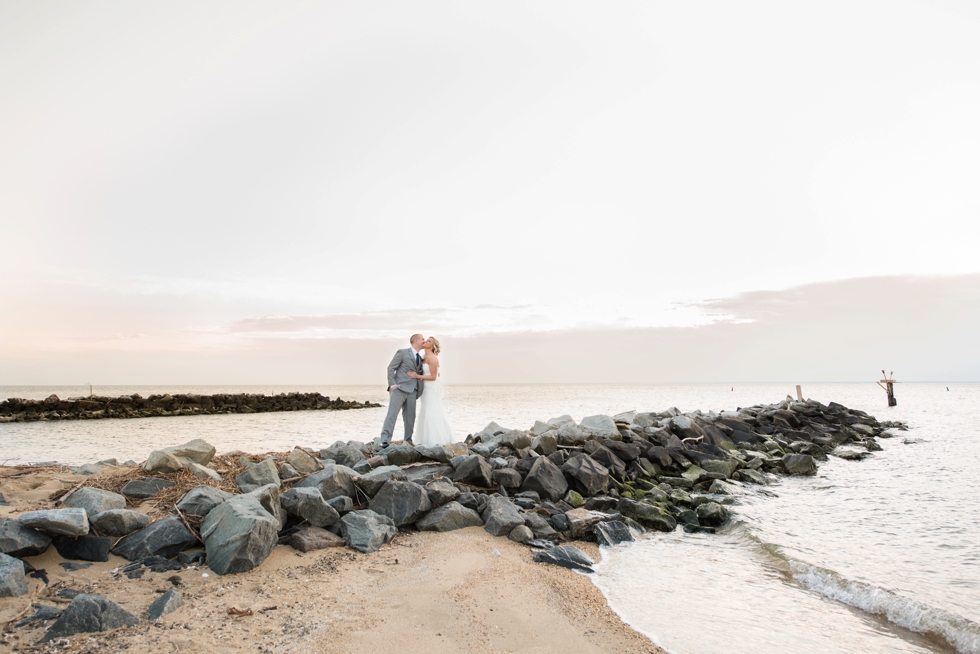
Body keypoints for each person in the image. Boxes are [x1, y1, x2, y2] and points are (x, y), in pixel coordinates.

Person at [379, 333, 425, 447]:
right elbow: (391, 368)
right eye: (422, 339)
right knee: (392, 414)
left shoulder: (420, 358)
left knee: (410, 417)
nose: (424, 341)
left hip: (412, 391)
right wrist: (392, 384)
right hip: (399, 389)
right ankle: (385, 440)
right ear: (416, 340)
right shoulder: (403, 353)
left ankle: (408, 440)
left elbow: (420, 373)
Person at [407, 336, 454, 446]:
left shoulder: (432, 358)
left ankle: (435, 440)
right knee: (425, 410)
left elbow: (433, 377)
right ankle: (424, 439)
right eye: (426, 339)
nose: (425, 341)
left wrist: (416, 376)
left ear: (432, 346)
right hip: (426, 388)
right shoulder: (424, 356)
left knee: (431, 411)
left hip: (431, 388)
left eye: (428, 341)